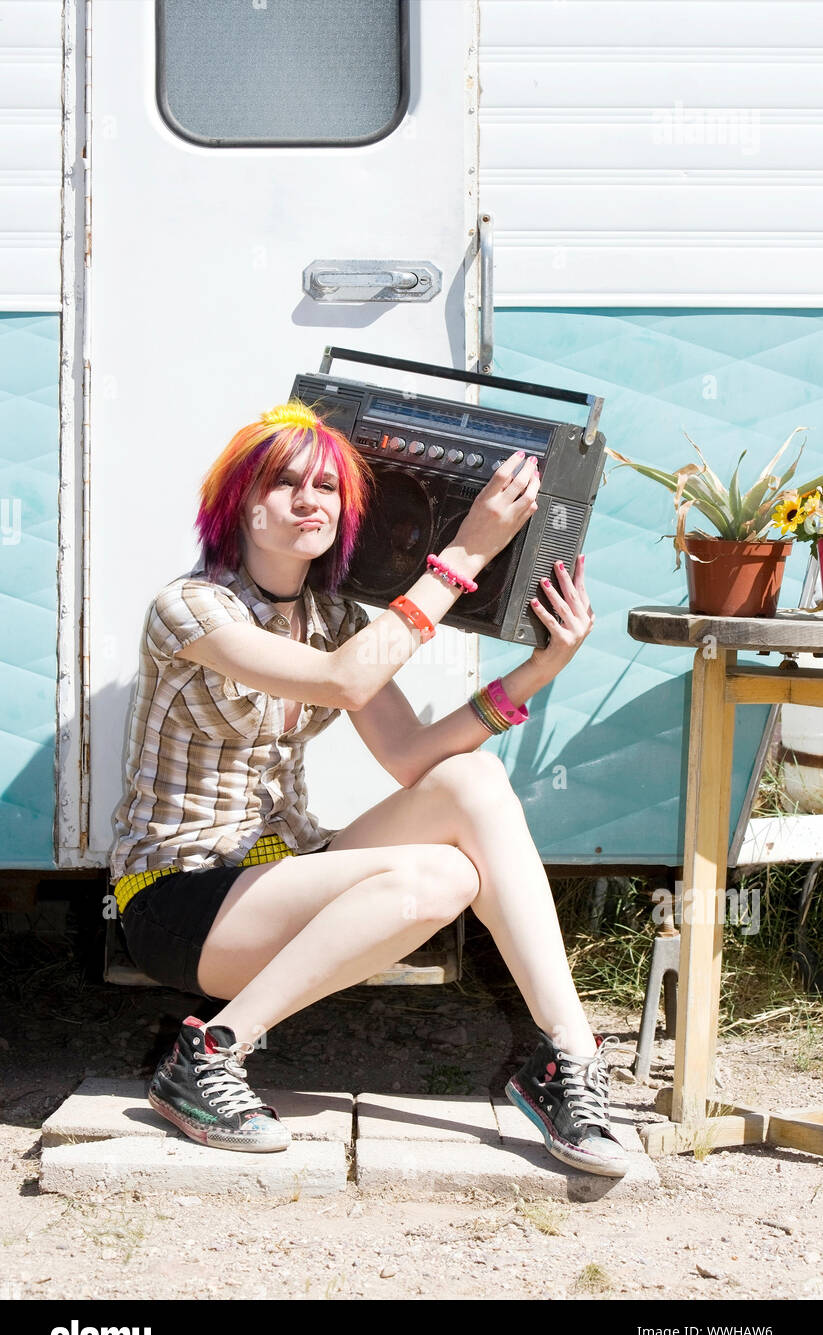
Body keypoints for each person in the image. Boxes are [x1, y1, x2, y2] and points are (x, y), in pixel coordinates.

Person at [109, 398, 629, 1179]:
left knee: (471, 783)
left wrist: (537, 670)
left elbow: (414, 757)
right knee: (436, 874)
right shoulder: (189, 609)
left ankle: (567, 1063)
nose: (309, 501)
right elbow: (341, 680)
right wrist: (465, 553)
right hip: (176, 897)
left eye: (327, 487)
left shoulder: (332, 615)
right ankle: (210, 1056)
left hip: (279, 872)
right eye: (285, 483)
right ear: (241, 503)